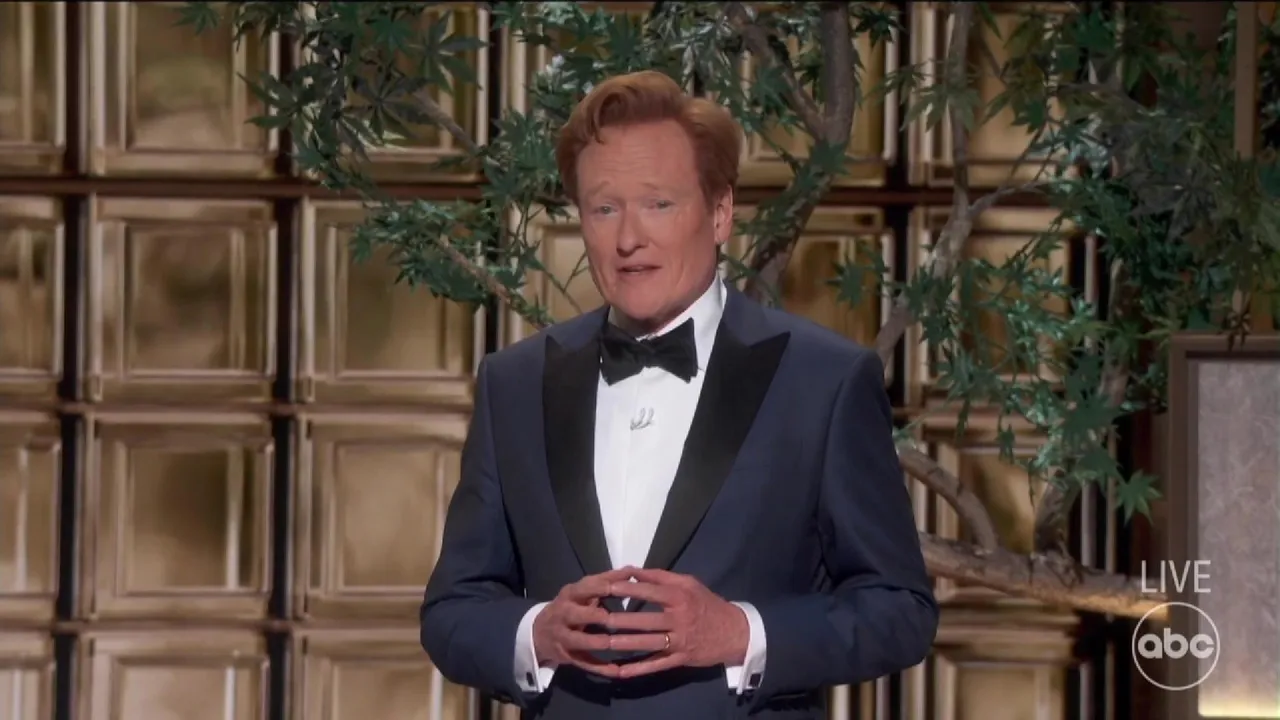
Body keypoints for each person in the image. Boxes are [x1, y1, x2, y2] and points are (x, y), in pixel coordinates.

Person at [421, 69, 938, 720]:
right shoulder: (515, 384)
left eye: (658, 204)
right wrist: (536, 634)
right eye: (604, 208)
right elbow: (453, 610)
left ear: (720, 213)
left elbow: (900, 611)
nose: (628, 238)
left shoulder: (823, 381)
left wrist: (741, 633)